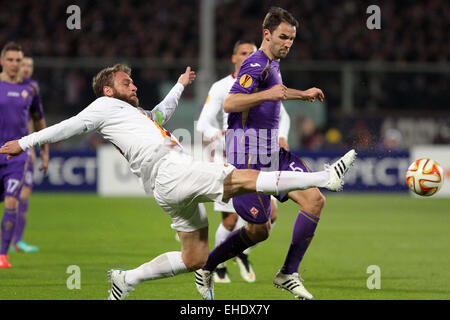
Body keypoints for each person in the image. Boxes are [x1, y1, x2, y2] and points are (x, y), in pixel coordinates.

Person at [0, 63, 355, 299]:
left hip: (165, 184)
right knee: (239, 180)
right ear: (108, 90)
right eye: (126, 81)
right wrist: (24, 143)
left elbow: (160, 114)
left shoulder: (132, 113)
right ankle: (323, 178)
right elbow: (69, 126)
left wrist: (180, 85)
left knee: (196, 257)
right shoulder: (102, 108)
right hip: (170, 170)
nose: (133, 84)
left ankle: (127, 279)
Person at [194, 7, 338, 300]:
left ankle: (288, 273)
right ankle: (207, 266)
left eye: (292, 39)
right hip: (246, 159)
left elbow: (277, 92)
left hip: (273, 153)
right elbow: (231, 103)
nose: (288, 43)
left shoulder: (272, 63)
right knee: (260, 230)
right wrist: (267, 94)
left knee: (314, 200)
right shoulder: (256, 63)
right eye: (283, 37)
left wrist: (303, 93)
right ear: (266, 34)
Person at [196, 40, 291, 283]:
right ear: (234, 58)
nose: (249, 55)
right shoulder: (221, 87)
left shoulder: (266, 77)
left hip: (260, 157)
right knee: (230, 219)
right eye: (243, 53)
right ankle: (217, 265)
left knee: (270, 215)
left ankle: (241, 251)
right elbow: (204, 122)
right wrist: (217, 136)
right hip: (231, 157)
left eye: (252, 52)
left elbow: (283, 115)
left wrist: (282, 137)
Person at [0, 43, 48, 268]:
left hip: (17, 154)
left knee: (12, 200)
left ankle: (3, 254)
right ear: (2, 61)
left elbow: (39, 121)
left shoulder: (31, 89)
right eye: (10, 60)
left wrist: (44, 152)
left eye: (18, 60)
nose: (14, 64)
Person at [9, 55, 47, 253]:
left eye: (29, 65)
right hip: (8, 147)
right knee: (13, 196)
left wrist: (32, 147)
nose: (26, 68)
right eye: (22, 64)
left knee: (23, 195)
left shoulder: (31, 88)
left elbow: (33, 120)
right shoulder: (6, 87)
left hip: (23, 148)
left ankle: (17, 241)